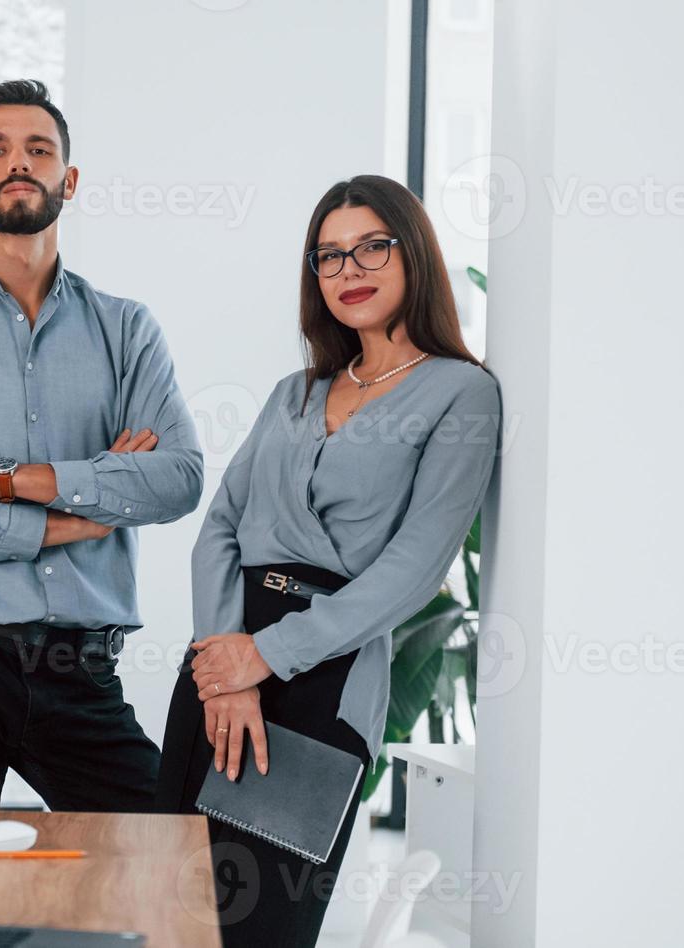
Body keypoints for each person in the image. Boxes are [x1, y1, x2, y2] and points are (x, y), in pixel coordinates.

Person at [154, 174, 502, 947]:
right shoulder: (295, 391)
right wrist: (224, 661)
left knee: (261, 929)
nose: (350, 270)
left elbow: (413, 567)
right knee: (168, 918)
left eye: (372, 247)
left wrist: (265, 658)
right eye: (330, 256)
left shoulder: (460, 394)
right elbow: (220, 526)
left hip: (326, 681)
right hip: (218, 665)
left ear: (412, 252)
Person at [0, 79, 204, 812]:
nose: (18, 162)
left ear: (68, 179)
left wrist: (3, 482)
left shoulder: (126, 329)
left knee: (158, 860)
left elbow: (177, 478)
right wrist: (85, 509)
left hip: (80, 666)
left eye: (38, 149)